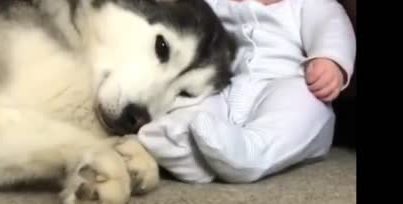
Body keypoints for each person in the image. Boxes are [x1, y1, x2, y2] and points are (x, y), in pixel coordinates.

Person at [137, 0, 356, 183]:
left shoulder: (308, 4)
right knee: (200, 106)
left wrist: (329, 60)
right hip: (226, 86)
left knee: (304, 107)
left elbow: (332, 27)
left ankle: (252, 154)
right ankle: (185, 147)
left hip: (287, 81)